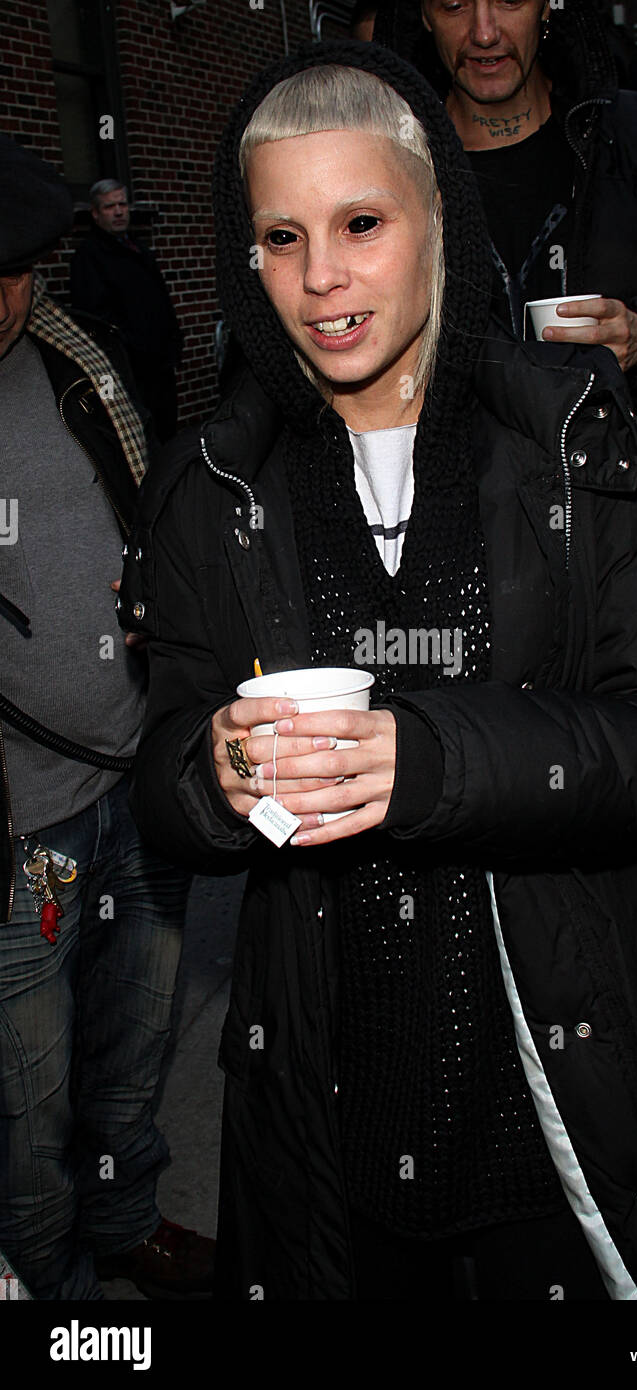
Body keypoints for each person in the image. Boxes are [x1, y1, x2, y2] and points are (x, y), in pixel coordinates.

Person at [120, 41, 637, 1301]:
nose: (321, 278)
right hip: (328, 1087)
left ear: (438, 222)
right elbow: (163, 784)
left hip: (564, 1081)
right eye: (279, 236)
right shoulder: (215, 483)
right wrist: (214, 767)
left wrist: (436, 759)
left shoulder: (570, 430)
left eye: (361, 222)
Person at [373, 0, 637, 652]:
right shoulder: (383, 164)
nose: (482, 31)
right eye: (453, 3)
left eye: (508, 0)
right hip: (465, 594)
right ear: (421, 14)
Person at [0, 136, 212, 1299]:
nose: (1, 296)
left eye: (17, 267)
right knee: (27, 1105)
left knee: (132, 1046)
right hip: (23, 836)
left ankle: (126, 1218)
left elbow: (143, 506)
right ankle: (49, 1286)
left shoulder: (73, 353)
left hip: (137, 778)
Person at [70, 180, 183, 443]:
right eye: (110, 207)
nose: (119, 211)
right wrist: (133, 350)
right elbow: (96, 319)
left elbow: (161, 302)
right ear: (96, 214)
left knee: (166, 433)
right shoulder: (90, 257)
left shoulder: (139, 250)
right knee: (143, 440)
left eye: (122, 204)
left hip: (160, 366)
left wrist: (173, 342)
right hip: (130, 373)